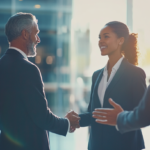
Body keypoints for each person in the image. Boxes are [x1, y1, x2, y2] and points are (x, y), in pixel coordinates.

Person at [0, 12, 80, 150]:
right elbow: (42, 118)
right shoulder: (29, 69)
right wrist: (67, 123)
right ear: (25, 34)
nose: (38, 39)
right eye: (36, 33)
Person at [77, 21, 147, 150]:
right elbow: (94, 114)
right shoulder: (96, 75)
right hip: (96, 146)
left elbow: (142, 116)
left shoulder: (135, 74)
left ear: (120, 40)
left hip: (125, 145)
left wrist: (120, 117)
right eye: (99, 37)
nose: (100, 41)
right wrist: (75, 120)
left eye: (106, 36)